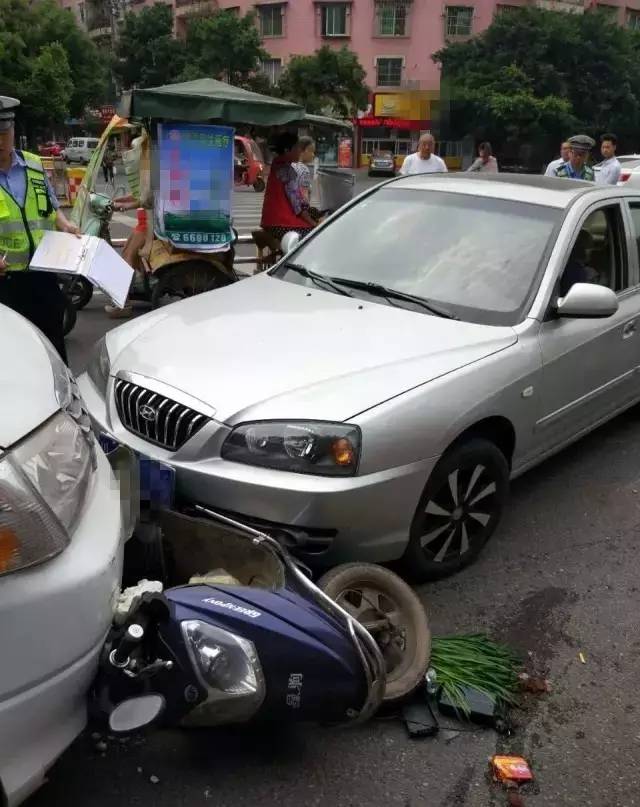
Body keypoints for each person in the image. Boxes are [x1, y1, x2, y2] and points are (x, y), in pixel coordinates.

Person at [0, 96, 79, 363]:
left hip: (44, 276)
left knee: (54, 350)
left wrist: (66, 225)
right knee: (16, 357)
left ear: (13, 132)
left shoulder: (34, 164)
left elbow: (51, 206)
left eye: (4, 133)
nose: (0, 141)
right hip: (6, 284)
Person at [260, 131, 316, 243]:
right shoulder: (287, 171)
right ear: (287, 150)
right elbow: (298, 205)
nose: (299, 152)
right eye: (297, 148)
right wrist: (314, 224)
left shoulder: (277, 164)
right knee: (314, 236)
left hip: (269, 221)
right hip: (282, 223)